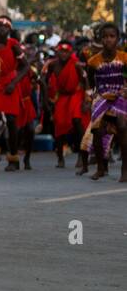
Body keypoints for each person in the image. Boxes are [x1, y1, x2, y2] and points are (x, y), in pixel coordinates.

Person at [0, 16, 29, 172]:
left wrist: (14, 83)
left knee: (11, 120)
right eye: (0, 25)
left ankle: (13, 158)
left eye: (6, 26)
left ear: (10, 29)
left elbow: (25, 66)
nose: (3, 28)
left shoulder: (14, 45)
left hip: (10, 84)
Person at [85, 23, 127, 182]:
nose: (108, 39)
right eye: (105, 36)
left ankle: (125, 169)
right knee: (97, 130)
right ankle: (101, 168)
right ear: (100, 39)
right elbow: (89, 81)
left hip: (120, 96)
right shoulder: (93, 61)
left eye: (112, 36)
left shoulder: (124, 57)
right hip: (102, 97)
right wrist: (90, 97)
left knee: (123, 127)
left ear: (117, 39)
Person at [45, 42, 87, 170]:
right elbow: (45, 80)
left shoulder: (76, 64)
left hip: (76, 94)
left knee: (77, 121)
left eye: (66, 51)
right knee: (59, 125)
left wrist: (87, 100)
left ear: (71, 52)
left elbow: (86, 81)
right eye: (61, 51)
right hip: (62, 96)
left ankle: (81, 155)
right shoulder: (52, 64)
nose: (64, 54)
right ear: (57, 52)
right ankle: (60, 157)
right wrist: (46, 98)